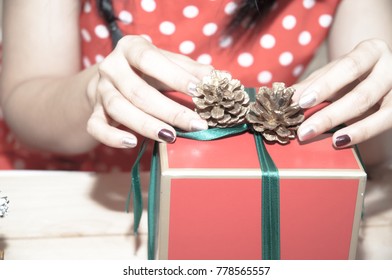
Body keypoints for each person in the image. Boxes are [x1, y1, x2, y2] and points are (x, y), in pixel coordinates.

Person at [0, 0, 391, 172]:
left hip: (244, 192)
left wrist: (373, 112)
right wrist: (91, 94)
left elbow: (372, 152)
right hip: (77, 184)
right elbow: (24, 105)